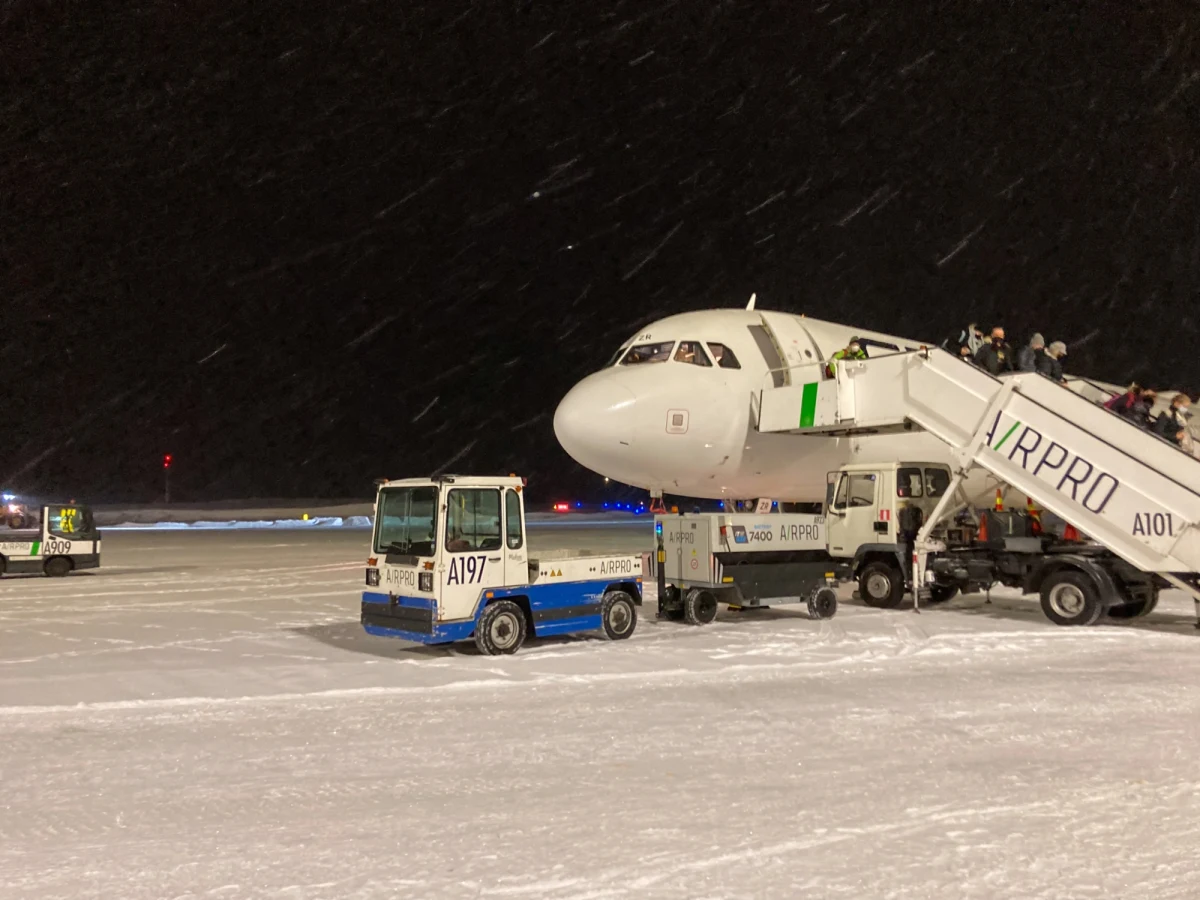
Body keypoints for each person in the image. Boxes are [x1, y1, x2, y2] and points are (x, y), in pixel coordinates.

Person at [897, 498, 924, 582]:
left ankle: (911, 574)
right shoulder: (917, 510)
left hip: (907, 537)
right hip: (913, 535)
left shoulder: (902, 511)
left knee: (909, 556)